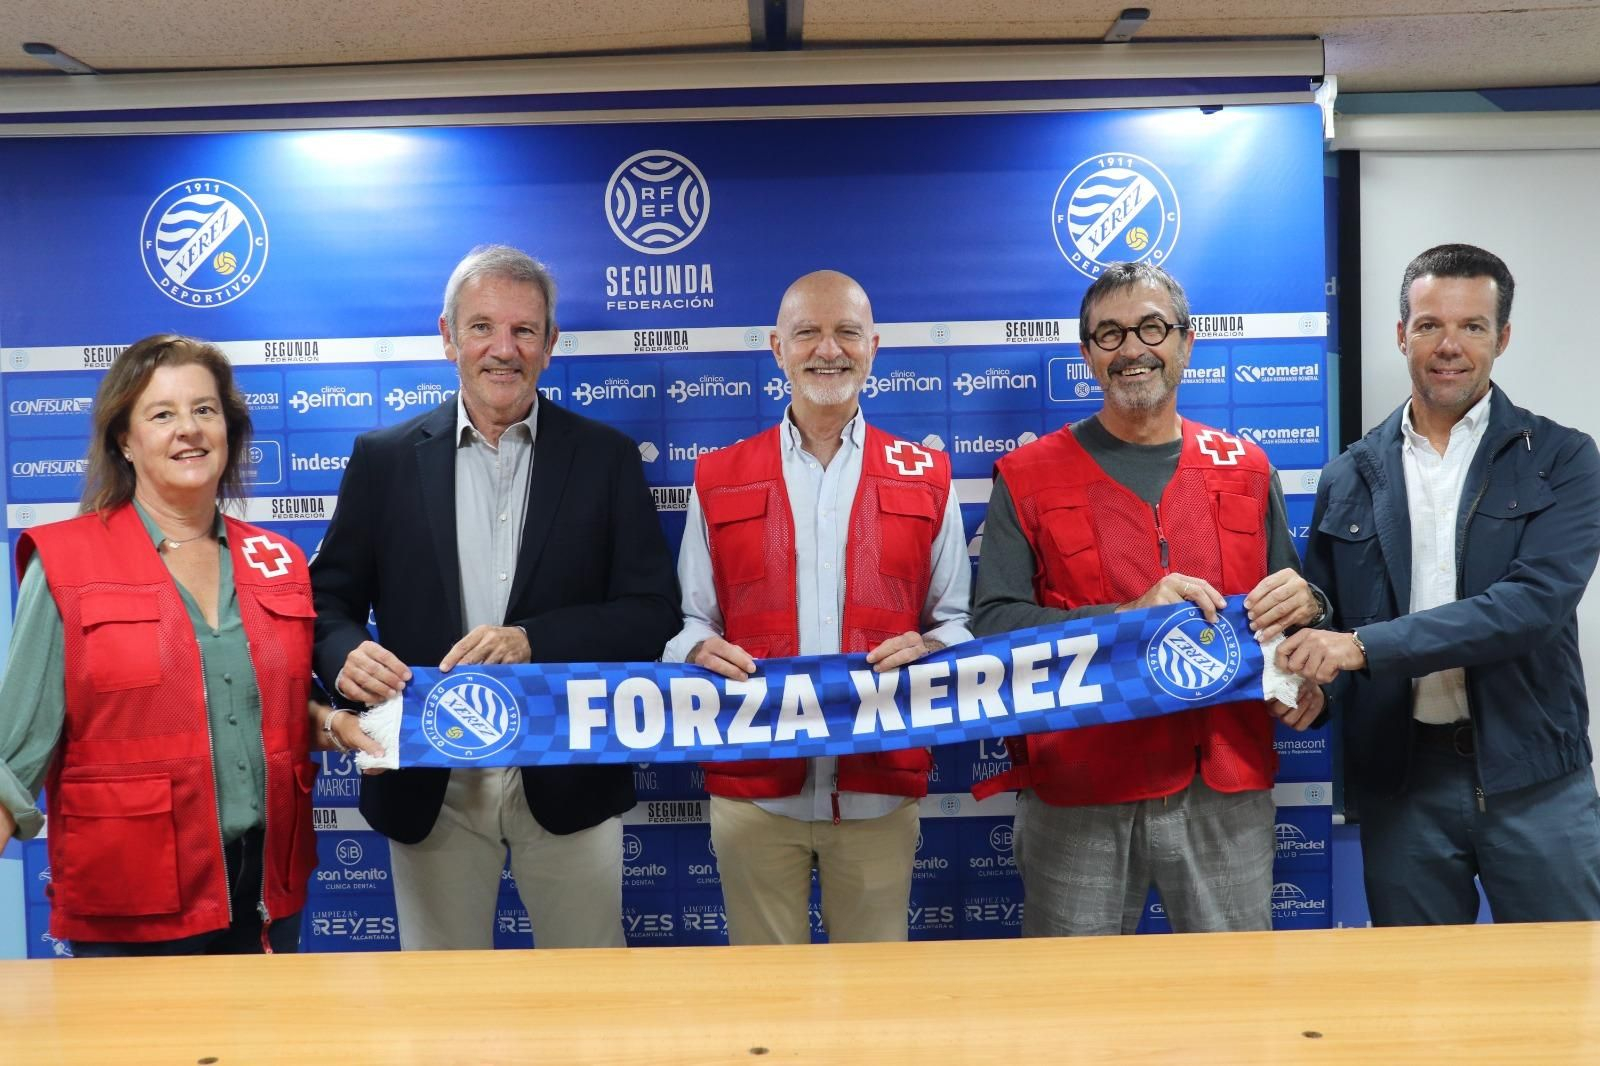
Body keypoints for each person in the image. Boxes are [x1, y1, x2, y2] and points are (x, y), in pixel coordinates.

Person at [311, 244, 680, 950]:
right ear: (448, 337)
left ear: (550, 344)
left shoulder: (606, 459)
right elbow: (327, 603)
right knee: (443, 1013)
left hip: (568, 770)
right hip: (430, 779)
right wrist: (344, 656)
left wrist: (531, 639)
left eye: (523, 330)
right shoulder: (383, 460)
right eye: (481, 327)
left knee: (591, 1006)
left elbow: (652, 614)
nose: (502, 349)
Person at [970, 261, 1325, 937]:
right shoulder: (1026, 475)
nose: (1132, 349)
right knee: (1072, 1019)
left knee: (1236, 1010)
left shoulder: (1247, 468)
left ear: (1187, 343)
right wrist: (1127, 620)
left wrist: (1302, 665)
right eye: (1109, 334)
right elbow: (994, 629)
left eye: (1152, 328)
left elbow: (1285, 614)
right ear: (1087, 355)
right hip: (1079, 789)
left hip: (1223, 785)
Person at [1279, 243, 1600, 925]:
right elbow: (1329, 614)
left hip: (1535, 779)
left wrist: (1357, 648)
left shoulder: (1566, 460)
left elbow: (1529, 609)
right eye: (1428, 325)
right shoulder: (1350, 474)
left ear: (1502, 338)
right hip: (1403, 787)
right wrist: (1313, 686)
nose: (1448, 345)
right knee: (1417, 1009)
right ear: (1401, 335)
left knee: (1564, 998)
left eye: (1471, 326)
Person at [0, 334, 351, 956]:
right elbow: (14, 749)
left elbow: (251, 701)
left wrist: (329, 720)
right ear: (124, 441)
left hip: (265, 895)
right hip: (130, 904)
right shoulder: (65, 563)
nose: (188, 429)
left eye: (204, 410)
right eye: (162, 414)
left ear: (228, 429)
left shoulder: (278, 560)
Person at [662, 269, 972, 945]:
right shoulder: (717, 476)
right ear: (778, 347)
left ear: (874, 346)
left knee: (874, 1004)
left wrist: (935, 648)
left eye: (846, 333)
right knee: (766, 1004)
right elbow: (691, 624)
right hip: (754, 788)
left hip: (879, 786)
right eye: (807, 332)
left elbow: (956, 624)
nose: (827, 349)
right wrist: (692, 650)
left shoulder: (928, 478)